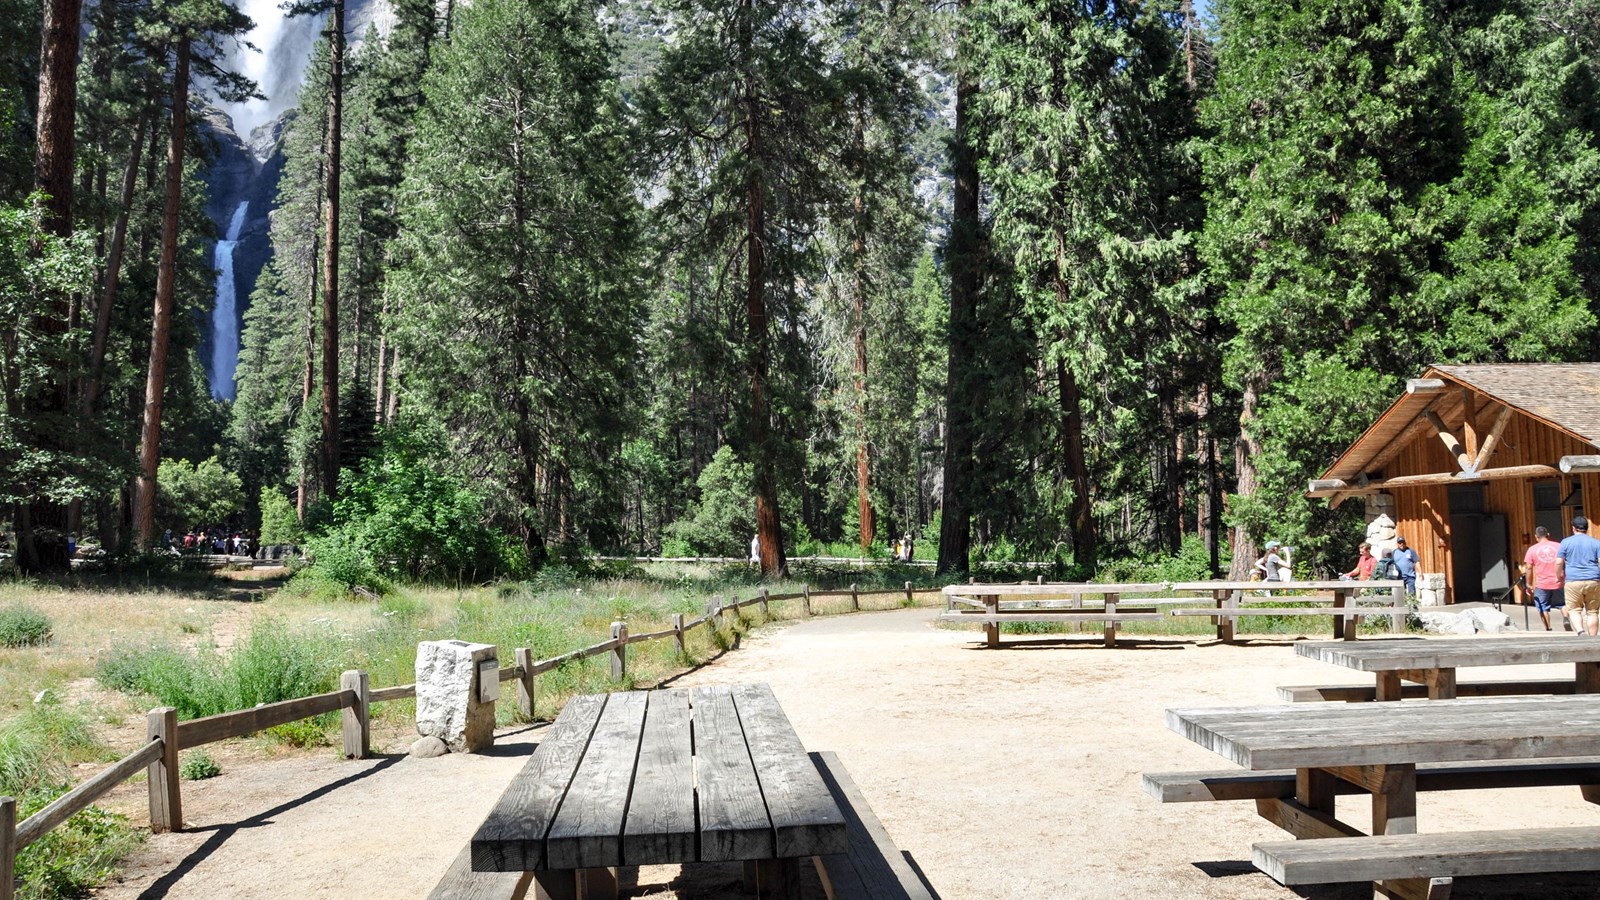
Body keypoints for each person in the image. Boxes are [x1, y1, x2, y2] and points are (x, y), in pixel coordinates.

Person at [1558, 516, 1600, 635]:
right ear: (1587, 528)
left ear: (1573, 528)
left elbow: (1559, 562)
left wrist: (1558, 576)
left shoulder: (1566, 542)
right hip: (1593, 579)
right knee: (1592, 612)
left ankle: (1581, 632)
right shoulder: (1596, 543)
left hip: (1573, 580)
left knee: (1574, 610)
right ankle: (1593, 638)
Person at [1521, 525, 1566, 631]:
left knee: (1542, 606)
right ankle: (1566, 617)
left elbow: (1528, 568)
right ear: (1548, 535)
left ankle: (1548, 628)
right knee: (1563, 603)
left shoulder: (1532, 549)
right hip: (1559, 581)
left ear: (1536, 537)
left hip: (1542, 583)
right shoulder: (1558, 546)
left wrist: (1528, 584)